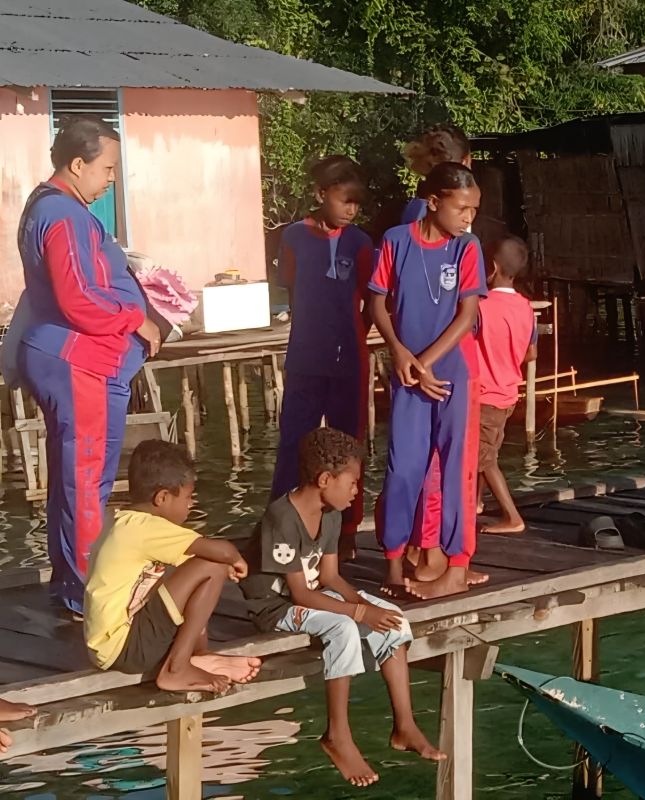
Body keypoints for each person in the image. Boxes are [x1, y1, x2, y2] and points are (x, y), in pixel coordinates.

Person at [15, 118, 163, 615]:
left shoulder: (52, 207)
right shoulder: (64, 215)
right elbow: (78, 298)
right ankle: (90, 594)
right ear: (77, 165)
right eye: (107, 168)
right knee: (86, 478)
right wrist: (135, 317)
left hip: (68, 356)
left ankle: (70, 583)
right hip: (79, 360)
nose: (112, 179)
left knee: (73, 476)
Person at [241, 428, 443, 787]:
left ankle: (405, 725)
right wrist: (360, 614)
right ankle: (337, 735)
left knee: (393, 619)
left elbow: (330, 576)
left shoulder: (331, 513)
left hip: (311, 596)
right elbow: (300, 594)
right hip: (275, 607)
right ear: (324, 479)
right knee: (345, 628)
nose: (356, 492)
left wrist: (366, 604)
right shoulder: (282, 516)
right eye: (352, 483)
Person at [370, 162, 489, 600]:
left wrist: (424, 364)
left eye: (474, 209)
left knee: (456, 468)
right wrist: (400, 353)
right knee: (403, 466)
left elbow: (468, 315)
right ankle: (394, 563)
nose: (469, 218)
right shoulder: (396, 241)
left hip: (450, 373)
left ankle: (456, 565)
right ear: (434, 202)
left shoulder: (468, 247)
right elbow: (378, 303)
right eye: (462, 208)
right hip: (406, 372)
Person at [84, 441, 261, 692]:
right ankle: (176, 669)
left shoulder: (121, 521)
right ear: (162, 497)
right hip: (125, 648)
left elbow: (188, 568)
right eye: (188, 497)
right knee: (213, 567)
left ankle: (197, 657)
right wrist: (236, 561)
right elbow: (221, 551)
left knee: (194, 567)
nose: (190, 505)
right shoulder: (145, 528)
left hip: (109, 645)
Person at [270, 156, 374, 559]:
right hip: (305, 357)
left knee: (350, 444)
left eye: (357, 203)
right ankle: (280, 524)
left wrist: (354, 337)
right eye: (344, 200)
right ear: (320, 195)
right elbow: (293, 290)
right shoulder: (294, 237)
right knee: (294, 441)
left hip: (348, 360)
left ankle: (345, 529)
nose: (351, 209)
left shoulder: (361, 243)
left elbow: (372, 302)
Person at [475, 236, 537, 535]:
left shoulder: (481, 306)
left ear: (493, 266)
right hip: (509, 391)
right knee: (487, 452)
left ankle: (512, 516)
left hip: (485, 393)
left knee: (484, 459)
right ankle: (476, 503)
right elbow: (532, 352)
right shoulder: (526, 307)